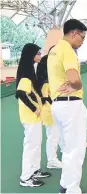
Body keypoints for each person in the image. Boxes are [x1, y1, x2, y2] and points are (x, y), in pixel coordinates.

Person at [47, 19, 87, 193]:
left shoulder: (54, 50)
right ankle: (72, 189)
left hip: (58, 105)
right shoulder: (68, 51)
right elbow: (74, 79)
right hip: (71, 105)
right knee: (75, 151)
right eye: (82, 37)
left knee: (67, 148)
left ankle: (65, 184)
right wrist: (76, 85)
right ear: (74, 33)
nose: (82, 41)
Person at [16, 43, 51, 187]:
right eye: (37, 54)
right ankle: (25, 177)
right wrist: (34, 109)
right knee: (31, 146)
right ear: (31, 55)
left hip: (35, 117)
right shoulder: (25, 75)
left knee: (36, 144)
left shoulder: (30, 71)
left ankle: (35, 170)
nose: (40, 56)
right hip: (30, 117)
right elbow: (20, 93)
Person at [36, 47, 63, 169]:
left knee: (56, 135)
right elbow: (46, 97)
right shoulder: (46, 83)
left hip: (52, 111)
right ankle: (51, 160)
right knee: (53, 136)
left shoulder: (48, 81)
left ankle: (54, 157)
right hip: (49, 112)